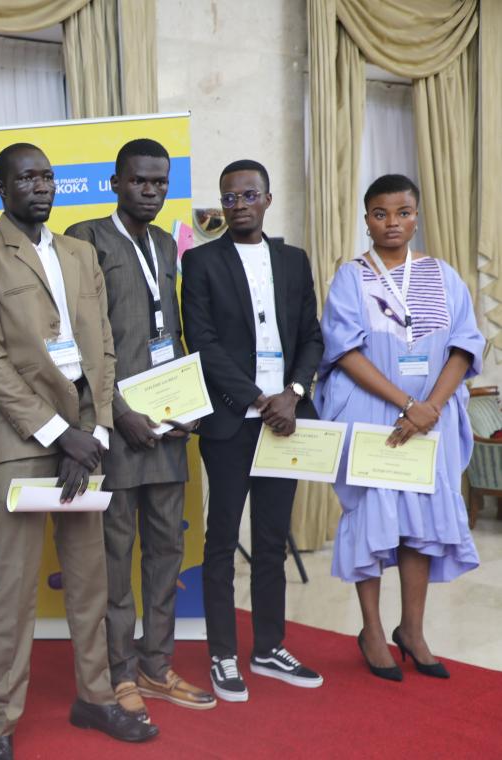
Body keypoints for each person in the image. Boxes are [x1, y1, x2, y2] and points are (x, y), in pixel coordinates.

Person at [0, 142, 158, 760]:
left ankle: (94, 696)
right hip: (20, 440)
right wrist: (54, 432)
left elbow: (103, 352)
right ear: (1, 186)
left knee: (90, 579)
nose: (40, 186)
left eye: (47, 177)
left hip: (85, 441)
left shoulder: (80, 252)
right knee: (12, 588)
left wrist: (91, 433)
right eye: (26, 177)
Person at [66, 138, 215, 721]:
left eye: (159, 183)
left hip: (167, 426)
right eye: (139, 182)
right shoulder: (86, 238)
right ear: (115, 183)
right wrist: (118, 411)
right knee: (114, 554)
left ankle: (157, 664)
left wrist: (189, 402)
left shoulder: (163, 244)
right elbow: (76, 338)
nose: (150, 192)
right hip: (115, 424)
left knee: (166, 550)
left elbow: (169, 332)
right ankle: (119, 671)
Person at [315, 174, 482, 681]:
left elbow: (465, 345)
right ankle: (371, 629)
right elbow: (343, 350)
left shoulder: (441, 273)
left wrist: (429, 406)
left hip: (430, 418)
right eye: (381, 214)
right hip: (371, 415)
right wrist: (408, 403)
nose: (393, 223)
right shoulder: (351, 277)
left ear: (416, 216)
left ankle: (412, 629)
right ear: (366, 219)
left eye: (404, 212)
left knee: (420, 527)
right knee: (371, 521)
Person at [180, 159, 325, 702]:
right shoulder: (200, 262)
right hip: (230, 423)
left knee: (270, 541)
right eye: (229, 197)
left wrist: (294, 393)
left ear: (267, 199)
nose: (238, 205)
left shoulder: (292, 260)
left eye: (248, 195)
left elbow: (311, 335)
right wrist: (256, 398)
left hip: (285, 423)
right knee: (220, 542)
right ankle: (222, 653)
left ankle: (268, 647)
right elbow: (203, 341)